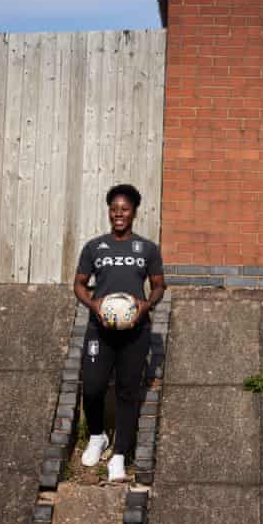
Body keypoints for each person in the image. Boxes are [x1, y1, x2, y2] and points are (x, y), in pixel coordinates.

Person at [73, 184, 165, 482]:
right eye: (114, 209)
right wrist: (94, 302)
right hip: (99, 329)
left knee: (127, 391)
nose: (119, 214)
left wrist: (145, 303)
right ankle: (98, 436)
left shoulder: (147, 248)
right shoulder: (94, 247)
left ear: (134, 212)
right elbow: (79, 284)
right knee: (93, 386)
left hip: (135, 332)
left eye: (124, 209)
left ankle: (119, 457)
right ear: (109, 212)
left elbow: (159, 285)